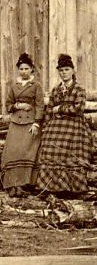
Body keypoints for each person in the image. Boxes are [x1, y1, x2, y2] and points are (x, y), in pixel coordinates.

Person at [35, 54, 91, 197]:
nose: (64, 73)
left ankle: (74, 189)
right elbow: (49, 110)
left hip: (74, 125)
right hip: (56, 125)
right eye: (61, 70)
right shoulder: (55, 90)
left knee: (72, 153)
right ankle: (49, 187)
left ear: (72, 70)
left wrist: (59, 109)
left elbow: (78, 109)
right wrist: (46, 126)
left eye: (66, 69)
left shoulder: (79, 89)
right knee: (48, 147)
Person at [1, 53, 44, 197]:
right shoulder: (14, 86)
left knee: (27, 153)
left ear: (32, 69)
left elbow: (40, 106)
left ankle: (24, 185)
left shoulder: (36, 85)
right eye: (21, 69)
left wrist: (37, 123)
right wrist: (18, 105)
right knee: (12, 152)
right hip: (15, 122)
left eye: (26, 68)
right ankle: (12, 185)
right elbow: (8, 105)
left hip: (30, 123)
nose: (24, 71)